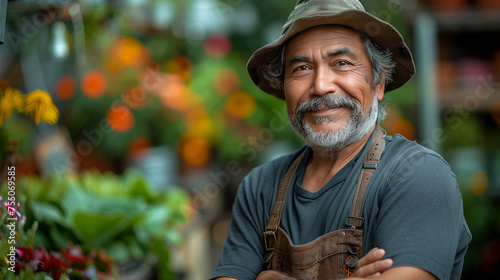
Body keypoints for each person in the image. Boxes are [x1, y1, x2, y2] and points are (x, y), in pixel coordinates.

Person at [211, 0, 471, 279]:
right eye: (301, 68)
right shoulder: (260, 186)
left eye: (342, 63)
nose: (321, 86)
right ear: (284, 87)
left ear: (378, 82)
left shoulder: (418, 175)